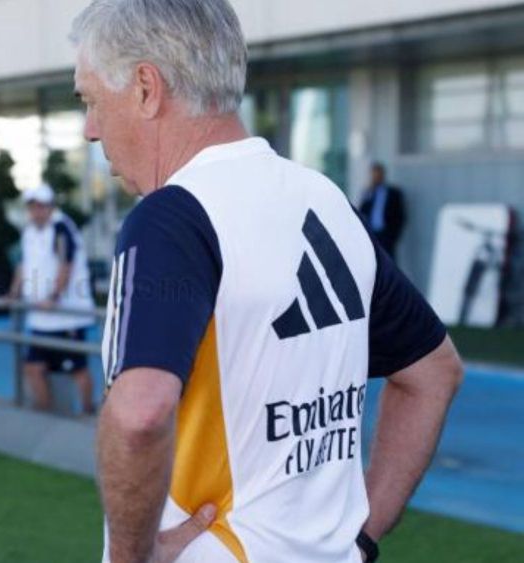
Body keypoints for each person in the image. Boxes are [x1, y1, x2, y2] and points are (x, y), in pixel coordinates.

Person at [69, 2, 463, 562]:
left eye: (90, 100)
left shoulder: (171, 219)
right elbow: (434, 370)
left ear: (146, 89)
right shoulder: (325, 199)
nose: (90, 129)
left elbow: (139, 415)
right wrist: (361, 537)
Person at [8, 183, 96, 414]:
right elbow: (24, 263)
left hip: (67, 316)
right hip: (40, 316)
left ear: (50, 207)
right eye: (32, 207)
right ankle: (46, 413)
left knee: (77, 369)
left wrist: (54, 297)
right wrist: (14, 291)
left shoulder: (61, 227)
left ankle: (88, 412)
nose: (36, 212)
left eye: (40, 207)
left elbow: (66, 264)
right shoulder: (29, 231)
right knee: (33, 367)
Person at [358, 162, 407, 258]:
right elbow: (362, 211)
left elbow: (400, 216)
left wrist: (394, 236)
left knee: (388, 260)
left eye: (378, 174)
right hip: (372, 234)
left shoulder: (393, 193)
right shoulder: (369, 193)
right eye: (373, 175)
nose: (376, 177)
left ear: (383, 175)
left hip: (386, 235)